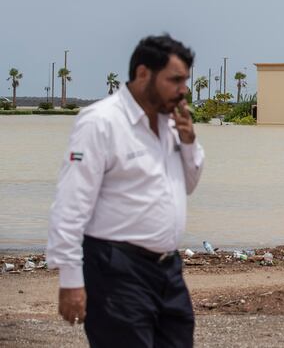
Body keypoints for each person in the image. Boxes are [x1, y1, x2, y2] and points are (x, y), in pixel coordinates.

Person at [47, 34, 204, 347]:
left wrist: (189, 143)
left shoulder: (172, 123)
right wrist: (70, 279)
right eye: (175, 80)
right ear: (144, 73)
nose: (183, 89)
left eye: (185, 80)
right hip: (116, 269)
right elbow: (71, 204)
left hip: (168, 270)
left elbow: (187, 185)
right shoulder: (101, 122)